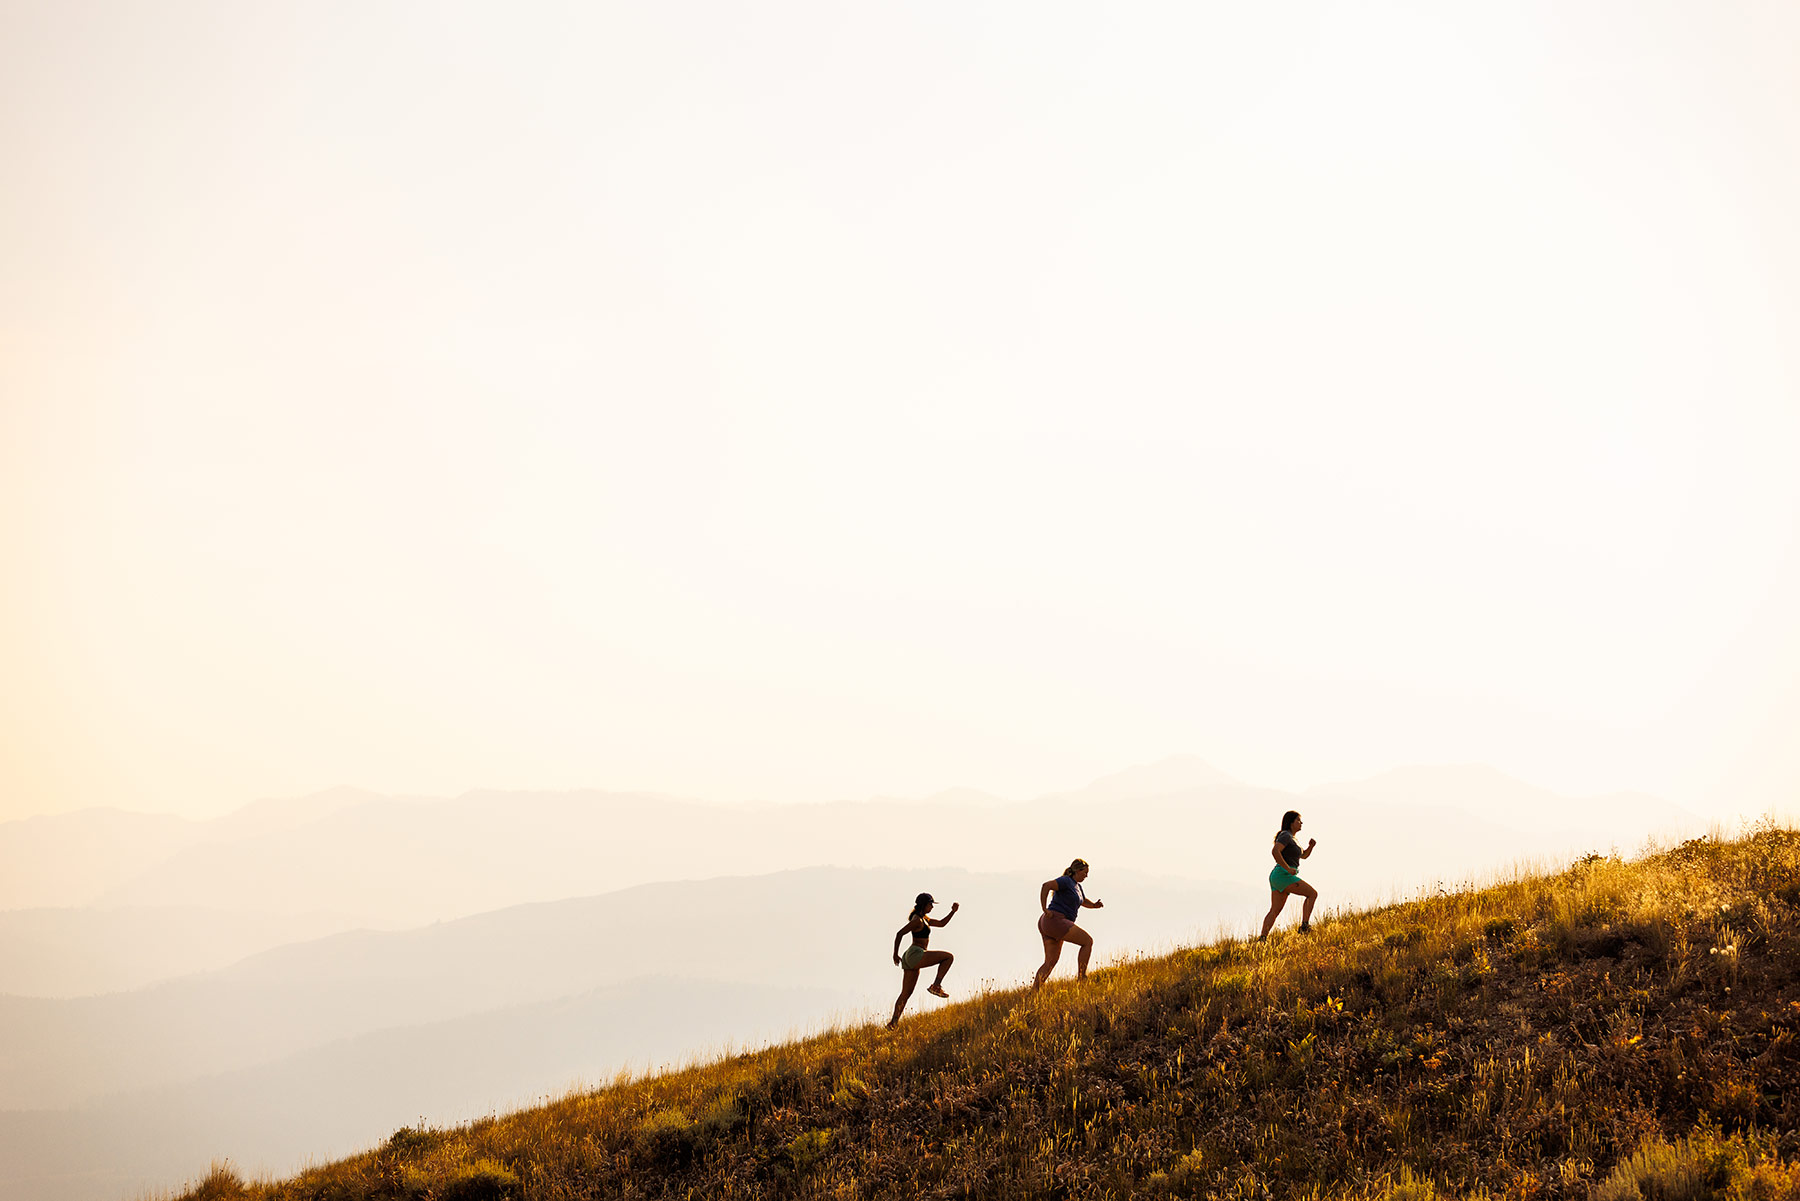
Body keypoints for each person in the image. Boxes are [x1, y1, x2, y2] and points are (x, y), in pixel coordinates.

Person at [1033, 858, 1104, 989]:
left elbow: (1082, 901)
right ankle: (1082, 978)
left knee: (1050, 962)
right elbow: (1046, 886)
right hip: (1055, 920)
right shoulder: (1066, 881)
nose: (1086, 876)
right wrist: (1044, 908)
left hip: (1048, 923)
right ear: (1077, 871)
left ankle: (1033, 993)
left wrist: (1094, 905)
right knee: (1087, 941)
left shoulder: (1078, 887)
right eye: (1085, 873)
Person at [889, 892, 958, 1027]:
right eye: (930, 904)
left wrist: (952, 912)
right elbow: (899, 933)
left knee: (906, 993)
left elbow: (942, 923)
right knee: (948, 957)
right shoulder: (917, 920)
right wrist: (894, 954)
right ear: (924, 905)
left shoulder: (924, 919)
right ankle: (936, 985)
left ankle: (893, 1023)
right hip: (916, 954)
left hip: (910, 957)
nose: (932, 907)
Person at [1259, 810, 1318, 939]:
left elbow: (1303, 856)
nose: (1301, 823)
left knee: (1274, 911)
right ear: (1291, 823)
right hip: (1283, 874)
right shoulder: (1285, 835)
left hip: (1278, 876)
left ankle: (1262, 939)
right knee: (1312, 894)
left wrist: (1311, 847)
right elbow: (1275, 851)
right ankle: (1304, 927)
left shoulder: (1293, 839)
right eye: (1298, 820)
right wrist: (1287, 868)